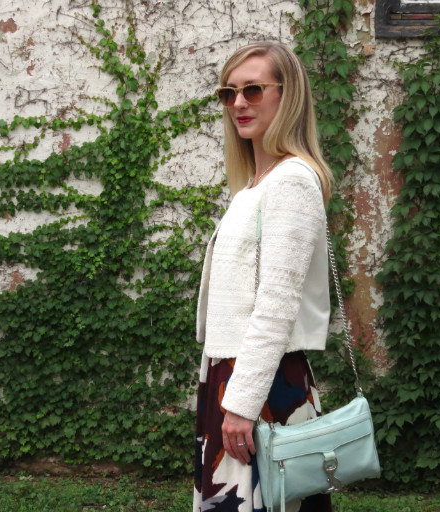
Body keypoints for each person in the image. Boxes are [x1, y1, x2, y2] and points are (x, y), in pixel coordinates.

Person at [193, 42, 334, 512]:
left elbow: (276, 302)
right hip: (235, 379)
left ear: (287, 94)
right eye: (228, 93)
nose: (238, 103)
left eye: (253, 89)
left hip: (261, 386)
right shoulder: (256, 185)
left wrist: (241, 404)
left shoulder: (292, 180)